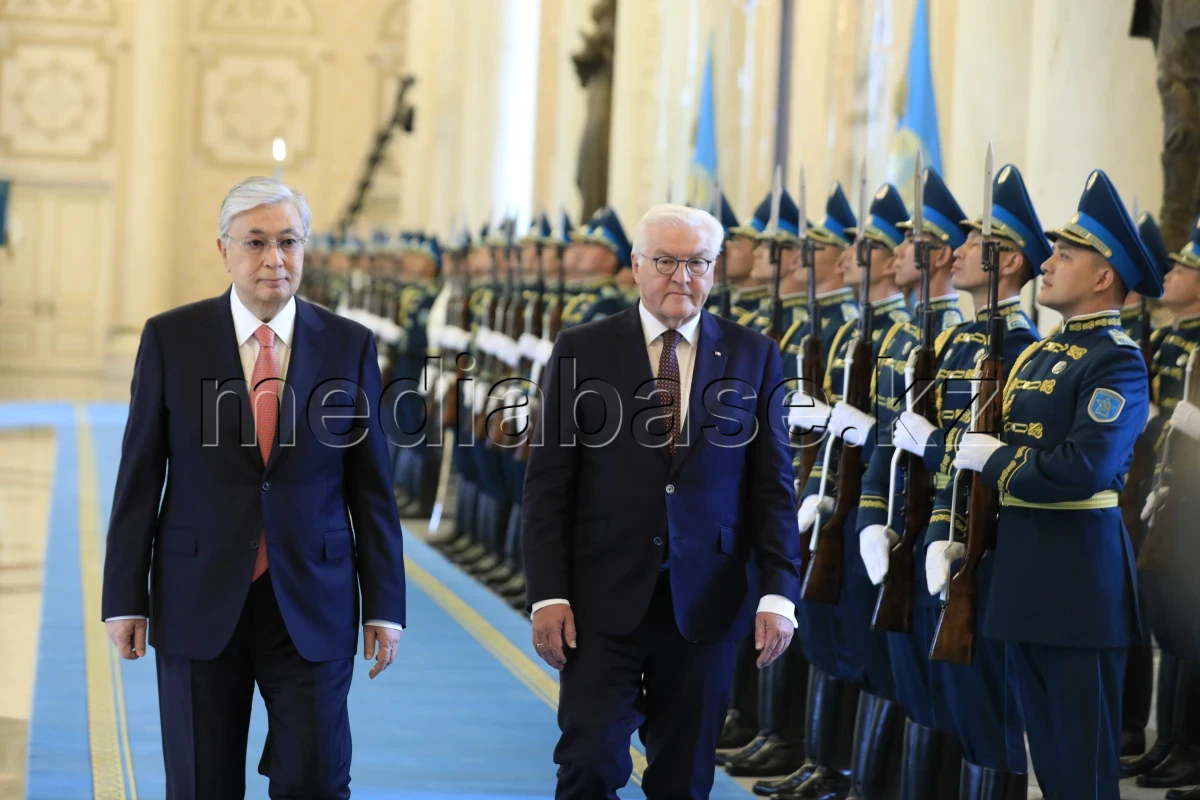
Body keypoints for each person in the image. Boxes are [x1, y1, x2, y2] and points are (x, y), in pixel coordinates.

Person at [101, 177, 406, 799]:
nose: (275, 259)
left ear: (306, 248)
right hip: (197, 594)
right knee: (200, 783)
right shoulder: (171, 339)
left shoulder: (349, 346)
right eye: (257, 242)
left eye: (289, 242)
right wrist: (125, 596)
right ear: (223, 249)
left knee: (318, 778)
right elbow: (139, 477)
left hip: (313, 597)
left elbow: (372, 487)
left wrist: (384, 604)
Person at [521, 203, 803, 798]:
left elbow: (773, 487)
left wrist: (779, 591)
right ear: (636, 266)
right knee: (590, 760)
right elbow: (548, 485)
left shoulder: (756, 355)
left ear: (715, 268)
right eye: (666, 261)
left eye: (697, 262)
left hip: (705, 601)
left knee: (683, 777)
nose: (682, 277)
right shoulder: (583, 349)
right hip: (600, 601)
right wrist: (547, 592)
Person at [950, 169, 1162, 799]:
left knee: (1080, 766)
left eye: (1065, 256)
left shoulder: (1116, 360)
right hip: (1024, 573)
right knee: (1045, 750)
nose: (1047, 263)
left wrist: (991, 461)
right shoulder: (1040, 354)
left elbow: (1083, 469)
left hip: (1075, 580)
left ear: (1103, 277)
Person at [890, 163, 1047, 797]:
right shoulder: (956, 340)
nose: (954, 252)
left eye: (974, 242)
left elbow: (995, 456)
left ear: (1007, 262)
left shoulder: (1022, 347)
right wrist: (925, 530)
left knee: (987, 710)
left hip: (985, 553)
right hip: (942, 541)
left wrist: (935, 450)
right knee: (947, 698)